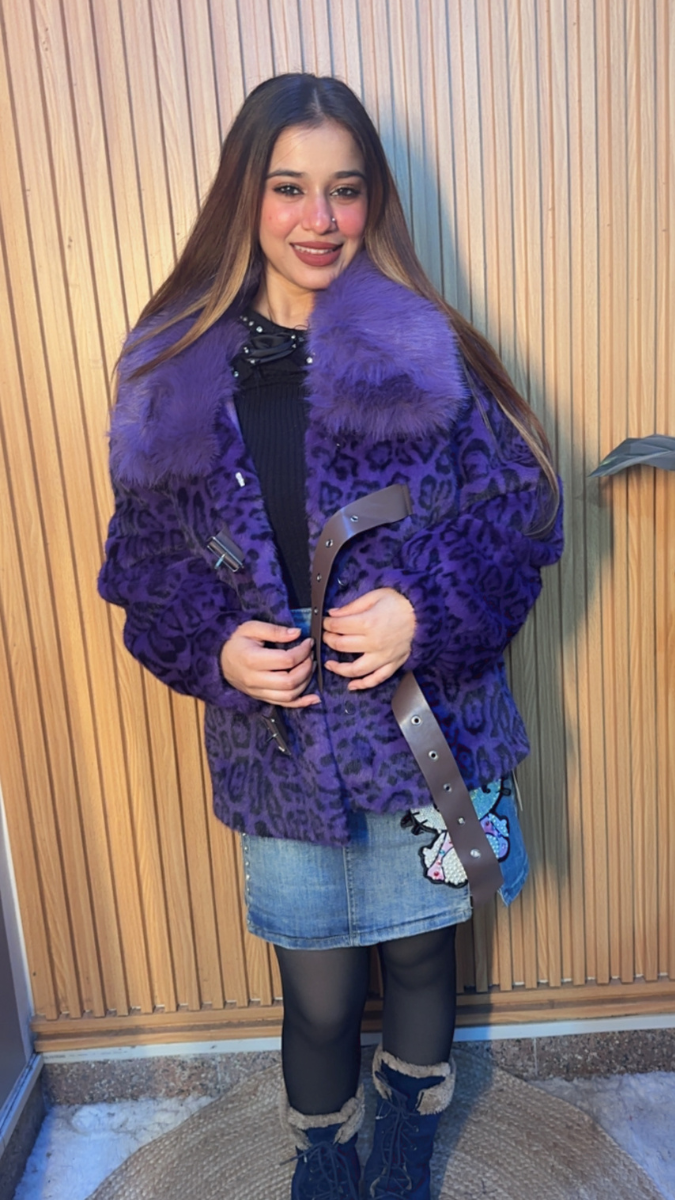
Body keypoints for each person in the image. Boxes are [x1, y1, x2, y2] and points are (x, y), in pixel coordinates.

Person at [98, 74, 563, 1200]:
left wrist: (423, 609)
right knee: (314, 988)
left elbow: (520, 518)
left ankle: (405, 1132)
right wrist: (214, 647)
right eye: (289, 188)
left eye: (345, 190)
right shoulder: (176, 369)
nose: (320, 219)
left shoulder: (422, 348)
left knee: (422, 954)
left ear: (372, 201)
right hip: (281, 742)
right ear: (243, 197)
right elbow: (144, 566)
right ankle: (322, 1148)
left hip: (419, 722)